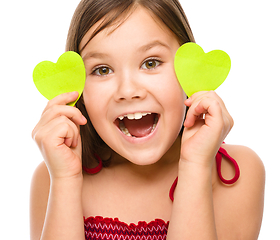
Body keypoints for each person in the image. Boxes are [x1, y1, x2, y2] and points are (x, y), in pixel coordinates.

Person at [30, 0, 265, 239]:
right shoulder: (52, 177)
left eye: (150, 63)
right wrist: (65, 180)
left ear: (189, 69)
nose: (128, 90)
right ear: (78, 87)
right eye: (102, 70)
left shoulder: (237, 173)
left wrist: (195, 166)